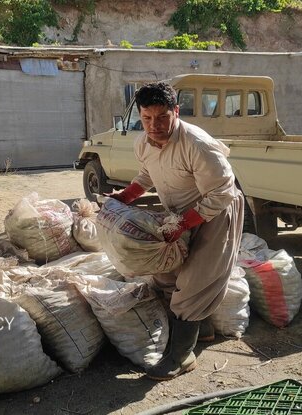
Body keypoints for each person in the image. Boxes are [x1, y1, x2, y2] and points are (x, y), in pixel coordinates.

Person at [110, 82, 244, 381]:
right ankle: (203, 329)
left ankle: (182, 356)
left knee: (196, 278)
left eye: (162, 118)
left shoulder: (197, 144)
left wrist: (184, 225)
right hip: (179, 215)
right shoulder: (143, 143)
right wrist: (125, 197)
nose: (154, 126)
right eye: (146, 119)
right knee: (168, 273)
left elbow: (222, 193)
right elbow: (147, 174)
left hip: (217, 213)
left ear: (176, 112)